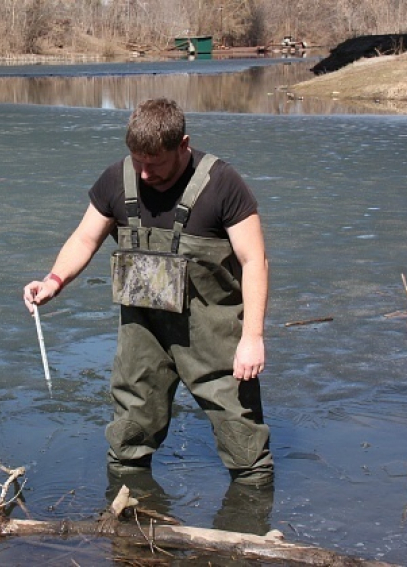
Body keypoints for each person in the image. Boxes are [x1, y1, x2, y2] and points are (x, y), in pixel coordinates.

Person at [23, 98, 273, 487]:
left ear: (183, 146)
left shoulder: (222, 184)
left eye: (154, 163)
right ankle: (129, 528)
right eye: (137, 160)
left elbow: (254, 260)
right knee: (127, 445)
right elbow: (86, 238)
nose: (143, 173)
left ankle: (252, 534)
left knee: (247, 455)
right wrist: (53, 281)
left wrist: (252, 338)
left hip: (214, 335)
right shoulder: (116, 180)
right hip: (143, 335)